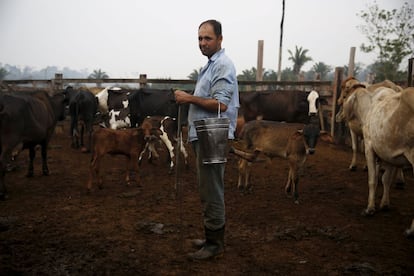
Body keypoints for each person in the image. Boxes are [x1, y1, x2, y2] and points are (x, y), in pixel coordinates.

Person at [174, 19, 239, 261]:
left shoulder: (222, 65)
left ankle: (214, 244)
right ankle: (211, 237)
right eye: (200, 39)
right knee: (207, 188)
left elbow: (221, 104)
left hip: (213, 135)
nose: (203, 43)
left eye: (207, 38)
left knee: (212, 189)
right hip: (205, 134)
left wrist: (189, 99)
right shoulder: (211, 66)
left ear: (220, 39)